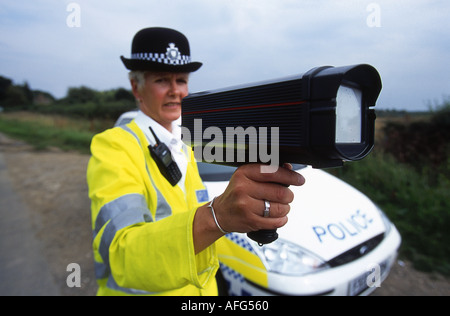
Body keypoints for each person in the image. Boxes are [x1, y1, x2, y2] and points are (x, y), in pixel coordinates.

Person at [87, 27, 305, 296]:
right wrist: (216, 217)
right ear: (136, 86)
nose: (175, 91)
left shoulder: (185, 143)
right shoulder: (114, 146)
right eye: (161, 80)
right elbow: (122, 256)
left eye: (181, 80)